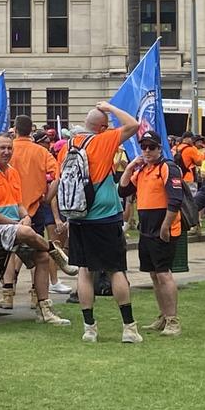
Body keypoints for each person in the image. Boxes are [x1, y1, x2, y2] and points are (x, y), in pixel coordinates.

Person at [59, 101, 141, 343]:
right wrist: (112, 108)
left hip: (78, 216)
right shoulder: (103, 141)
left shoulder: (68, 146)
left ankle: (89, 328)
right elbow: (133, 125)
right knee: (116, 269)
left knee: (84, 271)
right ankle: (128, 328)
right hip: (104, 216)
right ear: (103, 127)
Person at [0, 133, 73, 325]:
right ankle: (55, 251)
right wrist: (17, 224)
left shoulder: (13, 172)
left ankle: (44, 310)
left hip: (12, 227)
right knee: (27, 233)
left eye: (9, 148)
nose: (6, 151)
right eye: (2, 148)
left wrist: (26, 216)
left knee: (41, 257)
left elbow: (19, 205)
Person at [118, 130, 184, 336]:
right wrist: (129, 167)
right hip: (147, 229)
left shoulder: (167, 168)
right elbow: (123, 190)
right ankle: (164, 316)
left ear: (159, 148)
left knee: (164, 274)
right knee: (155, 274)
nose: (146, 151)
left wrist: (165, 226)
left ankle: (173, 319)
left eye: (151, 147)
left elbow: (175, 200)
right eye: (144, 147)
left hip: (162, 228)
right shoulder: (143, 170)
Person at [8, 115, 73, 297]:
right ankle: (36, 293)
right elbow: (57, 177)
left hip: (11, 207)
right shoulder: (41, 152)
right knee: (38, 252)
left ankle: (8, 290)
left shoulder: (8, 150)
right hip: (34, 208)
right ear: (31, 130)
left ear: (16, 129)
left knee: (11, 250)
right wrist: (47, 197)